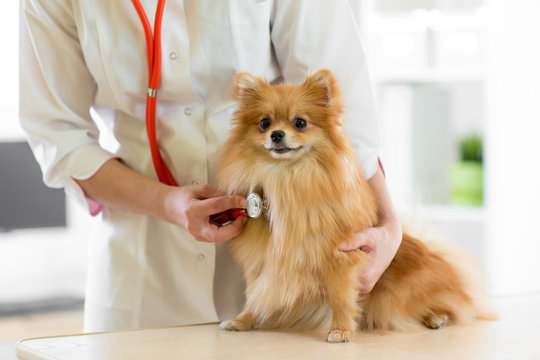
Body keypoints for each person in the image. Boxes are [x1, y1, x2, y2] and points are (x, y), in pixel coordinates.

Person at [20, 0, 402, 332]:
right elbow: (59, 136)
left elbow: (338, 115)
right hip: (143, 264)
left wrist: (388, 225)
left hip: (286, 256)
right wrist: (168, 203)